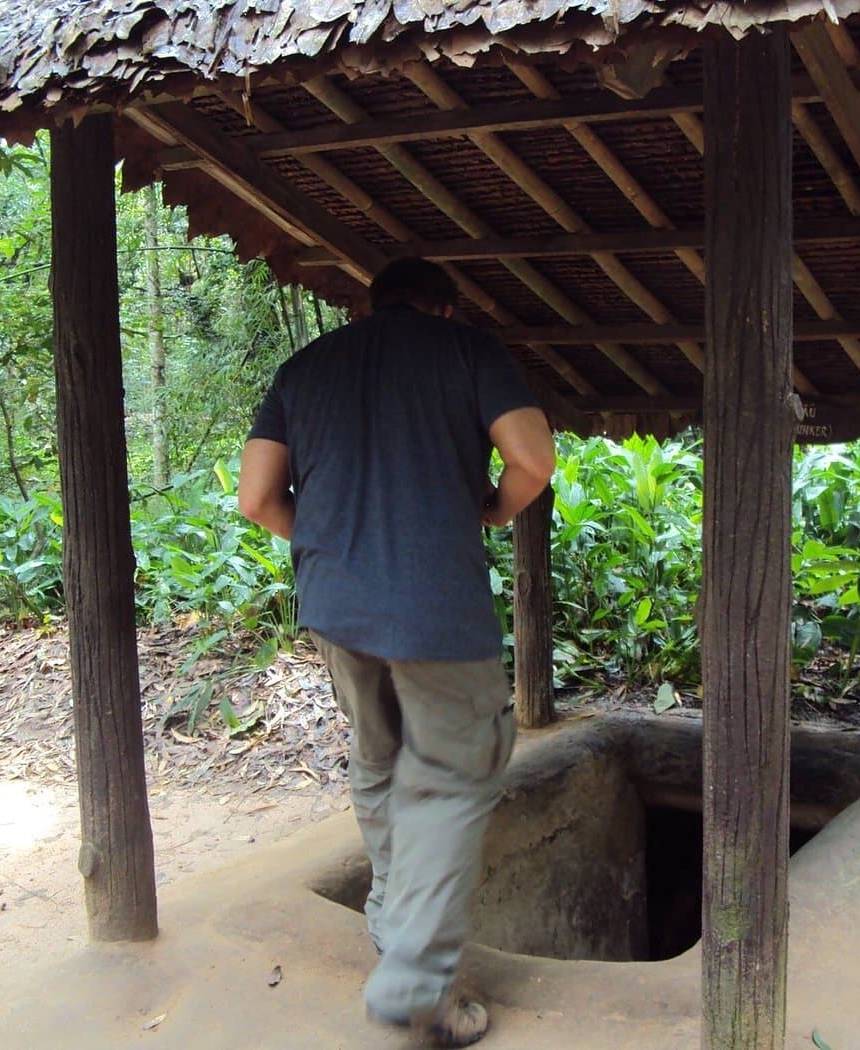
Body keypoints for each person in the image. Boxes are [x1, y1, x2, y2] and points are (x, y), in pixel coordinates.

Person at [237, 258, 555, 1048]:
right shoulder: (468, 351)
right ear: (446, 308)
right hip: (435, 607)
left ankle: (390, 914)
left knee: (378, 758)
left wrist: (327, 542)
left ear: (371, 305)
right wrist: (488, 511)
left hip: (335, 607)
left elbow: (255, 497)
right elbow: (534, 459)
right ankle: (416, 979)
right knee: (454, 773)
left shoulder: (305, 367)